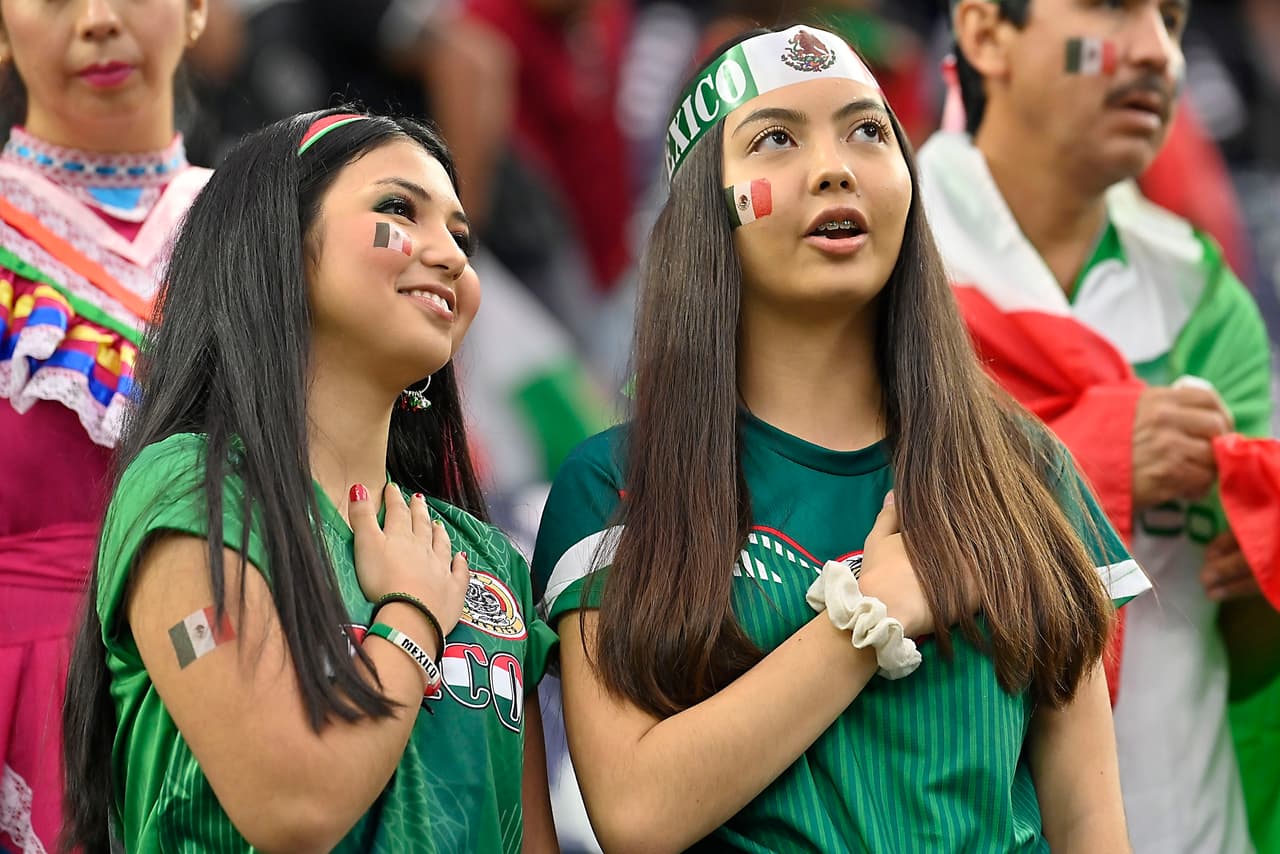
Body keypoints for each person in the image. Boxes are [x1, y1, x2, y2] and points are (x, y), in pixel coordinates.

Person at [532, 25, 1149, 852]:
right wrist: (867, 616)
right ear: (707, 210)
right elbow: (637, 815)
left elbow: (1090, 826)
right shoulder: (614, 484)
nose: (834, 167)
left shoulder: (1023, 468)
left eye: (867, 131)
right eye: (776, 140)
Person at [60, 109, 558, 852]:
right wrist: (412, 618)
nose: (451, 257)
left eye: (462, 237)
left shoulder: (486, 561)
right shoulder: (189, 492)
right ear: (278, 247)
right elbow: (290, 805)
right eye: (399, 209)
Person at [924, 1, 1279, 851]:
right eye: (1113, 8)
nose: (1159, 52)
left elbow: (1250, 653)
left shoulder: (1202, 293)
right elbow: (828, 576)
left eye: (1173, 17)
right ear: (985, 33)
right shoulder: (881, 264)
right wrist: (1091, 463)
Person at [0, 0, 210, 849]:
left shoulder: (272, 233)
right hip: (24, 694)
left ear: (197, 9)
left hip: (236, 669)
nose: (96, 20)